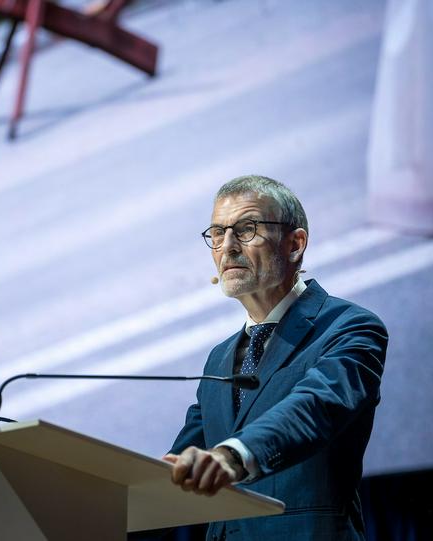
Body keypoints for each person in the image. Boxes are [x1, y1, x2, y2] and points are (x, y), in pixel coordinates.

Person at [163, 175, 387, 541]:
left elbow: (315, 407)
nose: (227, 247)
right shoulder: (219, 359)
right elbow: (183, 463)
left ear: (295, 244)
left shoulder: (350, 328)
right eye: (217, 234)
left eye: (246, 229)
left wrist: (233, 456)